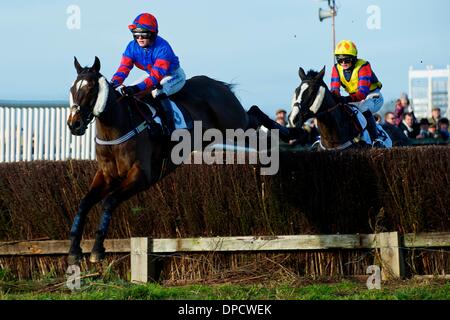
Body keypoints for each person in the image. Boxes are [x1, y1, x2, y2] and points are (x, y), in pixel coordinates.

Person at [110, 13, 186, 135]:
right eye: (136, 34)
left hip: (173, 75)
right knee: (130, 94)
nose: (139, 38)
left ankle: (169, 128)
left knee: (158, 93)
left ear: (152, 34)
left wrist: (136, 88)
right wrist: (113, 83)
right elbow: (124, 68)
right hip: (152, 75)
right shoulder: (132, 47)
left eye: (143, 34)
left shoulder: (163, 48)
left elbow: (156, 77)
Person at [330, 40, 385, 147]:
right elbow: (335, 89)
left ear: (354, 58)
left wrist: (345, 99)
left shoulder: (364, 66)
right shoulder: (336, 68)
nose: (343, 63)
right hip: (354, 99)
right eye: (340, 60)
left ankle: (375, 139)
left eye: (347, 60)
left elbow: (362, 93)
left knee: (363, 106)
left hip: (373, 96)